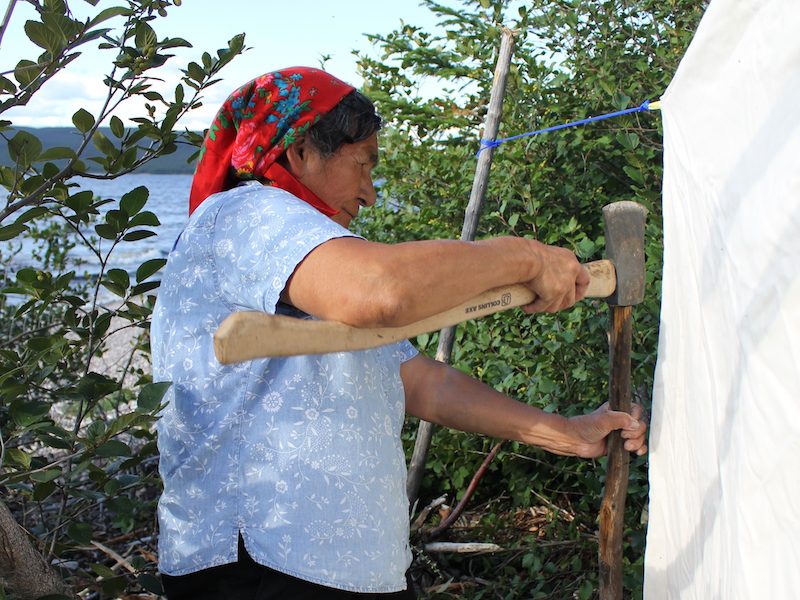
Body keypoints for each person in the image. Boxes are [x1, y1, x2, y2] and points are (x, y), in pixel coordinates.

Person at [150, 66, 648, 600]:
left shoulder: (313, 258)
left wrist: (563, 433)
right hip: (259, 563)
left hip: (348, 568)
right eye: (363, 163)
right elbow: (381, 292)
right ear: (300, 152)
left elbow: (422, 383)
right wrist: (525, 257)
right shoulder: (247, 212)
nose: (369, 193)